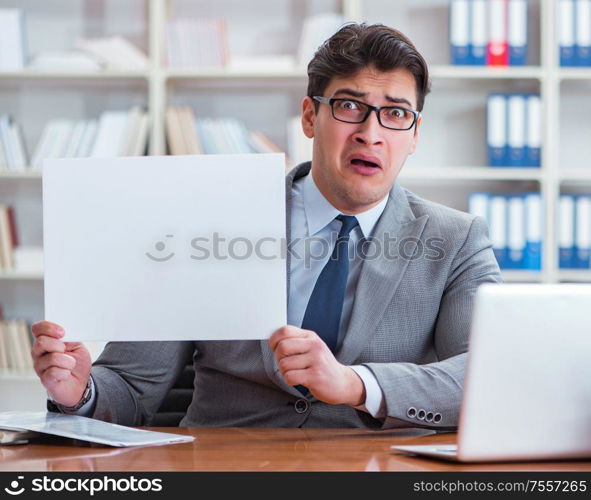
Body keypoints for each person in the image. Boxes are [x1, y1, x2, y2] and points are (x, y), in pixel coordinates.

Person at [31, 23, 501, 430]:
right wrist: (78, 391)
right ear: (310, 117)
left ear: (415, 134)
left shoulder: (457, 240)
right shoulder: (207, 221)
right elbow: (132, 388)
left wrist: (355, 384)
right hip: (223, 467)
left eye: (396, 113)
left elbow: (489, 377)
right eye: (349, 106)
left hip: (375, 466)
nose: (370, 133)